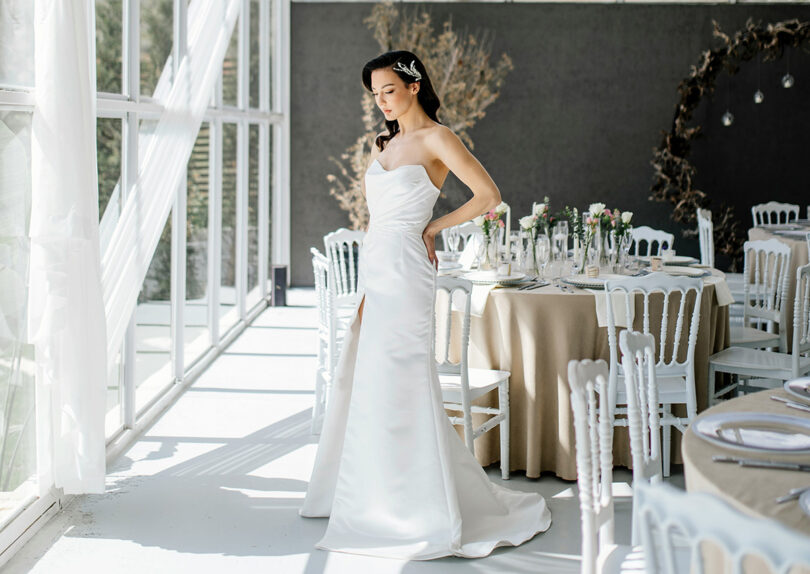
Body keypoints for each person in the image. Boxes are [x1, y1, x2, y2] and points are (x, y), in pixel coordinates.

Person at [299, 50, 551, 560]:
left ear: (414, 85)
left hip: (410, 270)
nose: (382, 102)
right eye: (375, 94)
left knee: (403, 378)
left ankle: (416, 507)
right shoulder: (382, 142)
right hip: (378, 265)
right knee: (367, 374)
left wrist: (435, 226)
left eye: (388, 90)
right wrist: (368, 285)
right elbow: (378, 216)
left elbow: (489, 195)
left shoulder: (439, 138)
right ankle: (369, 495)